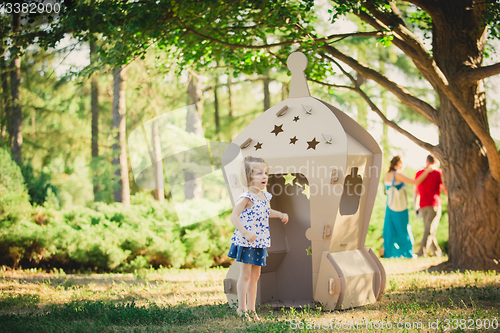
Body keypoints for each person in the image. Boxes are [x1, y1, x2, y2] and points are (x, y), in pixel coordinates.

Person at [227, 156, 289, 321]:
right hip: (247, 241)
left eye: (266, 173)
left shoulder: (264, 197)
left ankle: (252, 310)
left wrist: (280, 214)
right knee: (245, 274)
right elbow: (234, 217)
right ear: (248, 178)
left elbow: (266, 212)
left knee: (255, 276)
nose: (264, 177)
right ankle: (242, 308)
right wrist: (245, 232)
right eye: (259, 173)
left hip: (260, 241)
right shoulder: (246, 197)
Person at [383, 155, 434, 258]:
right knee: (403, 228)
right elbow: (415, 182)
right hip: (399, 207)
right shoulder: (397, 175)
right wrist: (427, 171)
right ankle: (407, 252)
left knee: (390, 229)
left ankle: (391, 253)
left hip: (390, 206)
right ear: (398, 164)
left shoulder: (387, 175)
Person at [414, 155, 446, 257]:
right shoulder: (438, 173)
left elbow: (416, 191)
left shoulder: (419, 173)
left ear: (426, 161)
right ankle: (421, 253)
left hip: (423, 205)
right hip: (434, 204)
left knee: (429, 229)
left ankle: (436, 252)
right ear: (435, 162)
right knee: (429, 230)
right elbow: (445, 188)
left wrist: (416, 205)